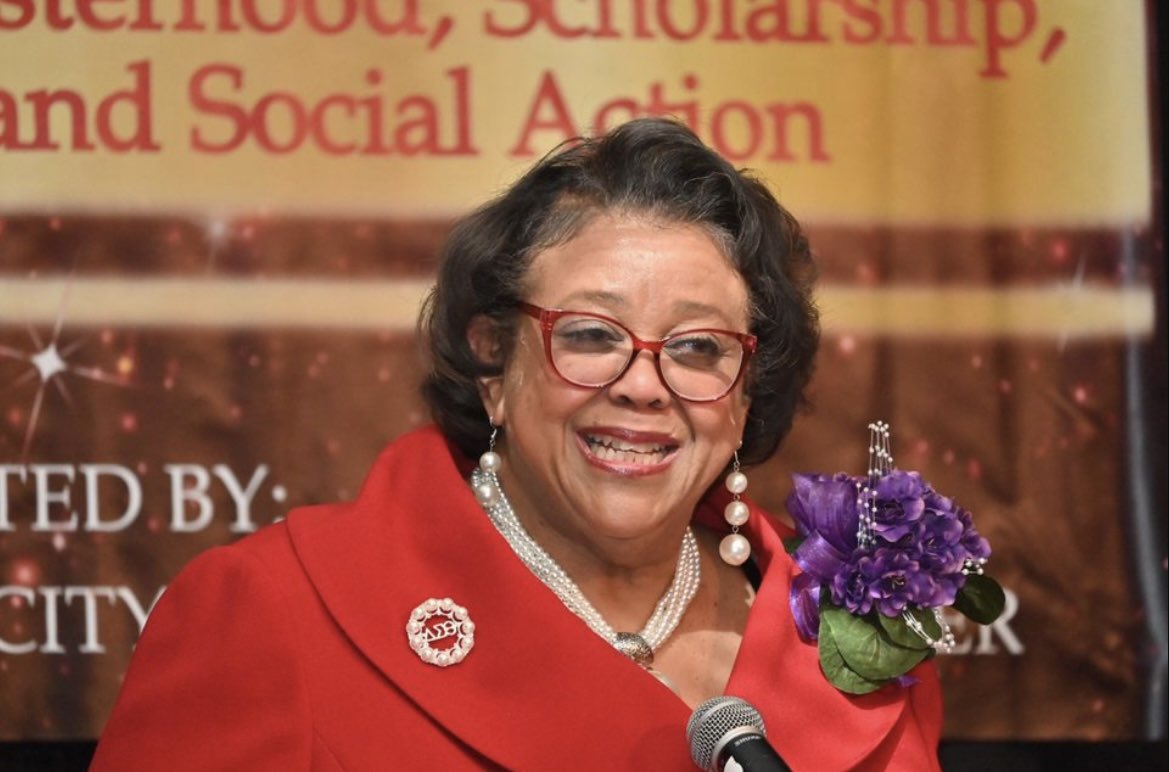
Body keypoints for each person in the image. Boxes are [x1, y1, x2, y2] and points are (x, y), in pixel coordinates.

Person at [90, 117, 942, 770]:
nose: (643, 384)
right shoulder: (275, 613)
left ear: (747, 393)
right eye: (589, 335)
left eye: (696, 348)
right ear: (492, 359)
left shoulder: (848, 637)